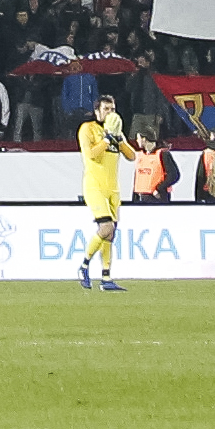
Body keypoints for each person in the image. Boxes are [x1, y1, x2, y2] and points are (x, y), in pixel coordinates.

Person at [73, 95, 126, 291]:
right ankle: (84, 265)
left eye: (112, 109)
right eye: (106, 109)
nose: (110, 113)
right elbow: (91, 155)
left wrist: (119, 139)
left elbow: (131, 155)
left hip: (113, 189)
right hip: (95, 185)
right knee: (106, 228)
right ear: (97, 111)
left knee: (110, 235)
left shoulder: (114, 130)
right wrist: (106, 140)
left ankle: (106, 278)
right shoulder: (87, 128)